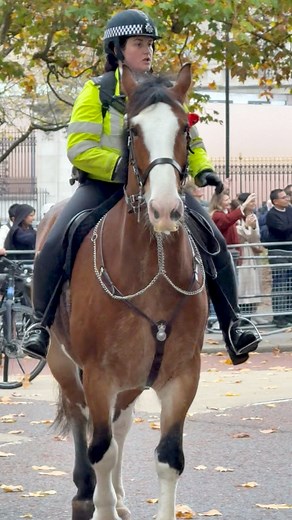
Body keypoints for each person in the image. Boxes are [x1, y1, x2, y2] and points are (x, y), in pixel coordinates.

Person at [22, 9, 261, 365]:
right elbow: (80, 147)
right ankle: (39, 325)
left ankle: (233, 323)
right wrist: (120, 167)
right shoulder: (97, 92)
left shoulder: (168, 93)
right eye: (138, 43)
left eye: (149, 44)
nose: (147, 50)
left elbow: (189, 141)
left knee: (212, 238)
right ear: (117, 49)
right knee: (58, 238)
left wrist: (203, 171)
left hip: (158, 187)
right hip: (104, 187)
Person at [236, 192, 266, 324]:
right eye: (252, 202)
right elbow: (239, 234)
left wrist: (252, 227)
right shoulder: (237, 217)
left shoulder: (253, 217)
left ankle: (251, 313)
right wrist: (248, 226)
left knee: (254, 283)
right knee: (243, 284)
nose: (254, 204)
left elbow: (256, 237)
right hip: (242, 252)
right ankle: (242, 315)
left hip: (252, 252)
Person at [266, 189, 292, 327]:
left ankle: (289, 314)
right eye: (283, 197)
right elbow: (282, 230)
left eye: (286, 196)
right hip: (279, 253)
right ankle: (279, 316)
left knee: (290, 285)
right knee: (280, 285)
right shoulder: (272, 215)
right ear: (275, 201)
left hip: (290, 251)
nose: (287, 199)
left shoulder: (289, 211)